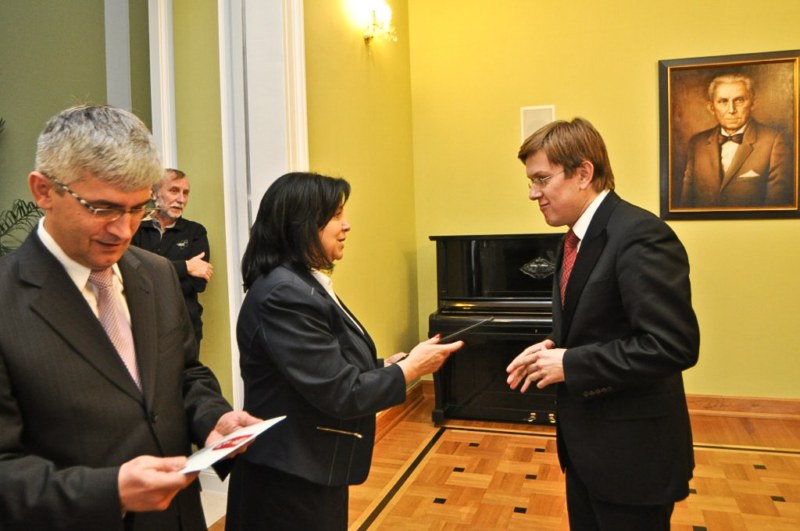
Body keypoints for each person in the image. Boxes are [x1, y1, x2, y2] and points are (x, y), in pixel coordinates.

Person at [0, 104, 260, 531]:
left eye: (138, 208)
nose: (123, 230)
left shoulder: (155, 273)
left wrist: (213, 417)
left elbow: (184, 373)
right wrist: (110, 492)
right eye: (102, 208)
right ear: (43, 191)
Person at [225, 172, 464, 530]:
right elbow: (341, 392)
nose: (347, 225)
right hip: (288, 478)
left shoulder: (299, 282)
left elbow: (322, 367)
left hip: (309, 465)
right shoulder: (284, 294)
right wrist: (411, 369)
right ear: (303, 224)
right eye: (336, 215)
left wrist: (385, 365)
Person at [507, 118, 700, 530]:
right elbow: (598, 323)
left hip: (632, 459)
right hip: (587, 453)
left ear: (583, 173)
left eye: (542, 179)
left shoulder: (640, 235)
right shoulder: (572, 238)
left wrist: (570, 363)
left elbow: (672, 345)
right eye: (531, 181)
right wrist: (552, 347)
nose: (533, 193)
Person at [680, 73, 794, 208]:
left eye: (739, 100)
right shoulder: (697, 143)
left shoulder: (774, 141)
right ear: (711, 108)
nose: (731, 110)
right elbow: (685, 204)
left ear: (753, 104)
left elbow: (777, 206)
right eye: (723, 101)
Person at [132, 169, 212, 345]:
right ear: (154, 193)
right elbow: (132, 277)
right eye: (174, 191)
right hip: (142, 326)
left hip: (185, 328)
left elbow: (198, 283)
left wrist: (150, 277)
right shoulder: (135, 229)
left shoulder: (195, 232)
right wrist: (185, 266)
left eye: (185, 193)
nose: (181, 199)